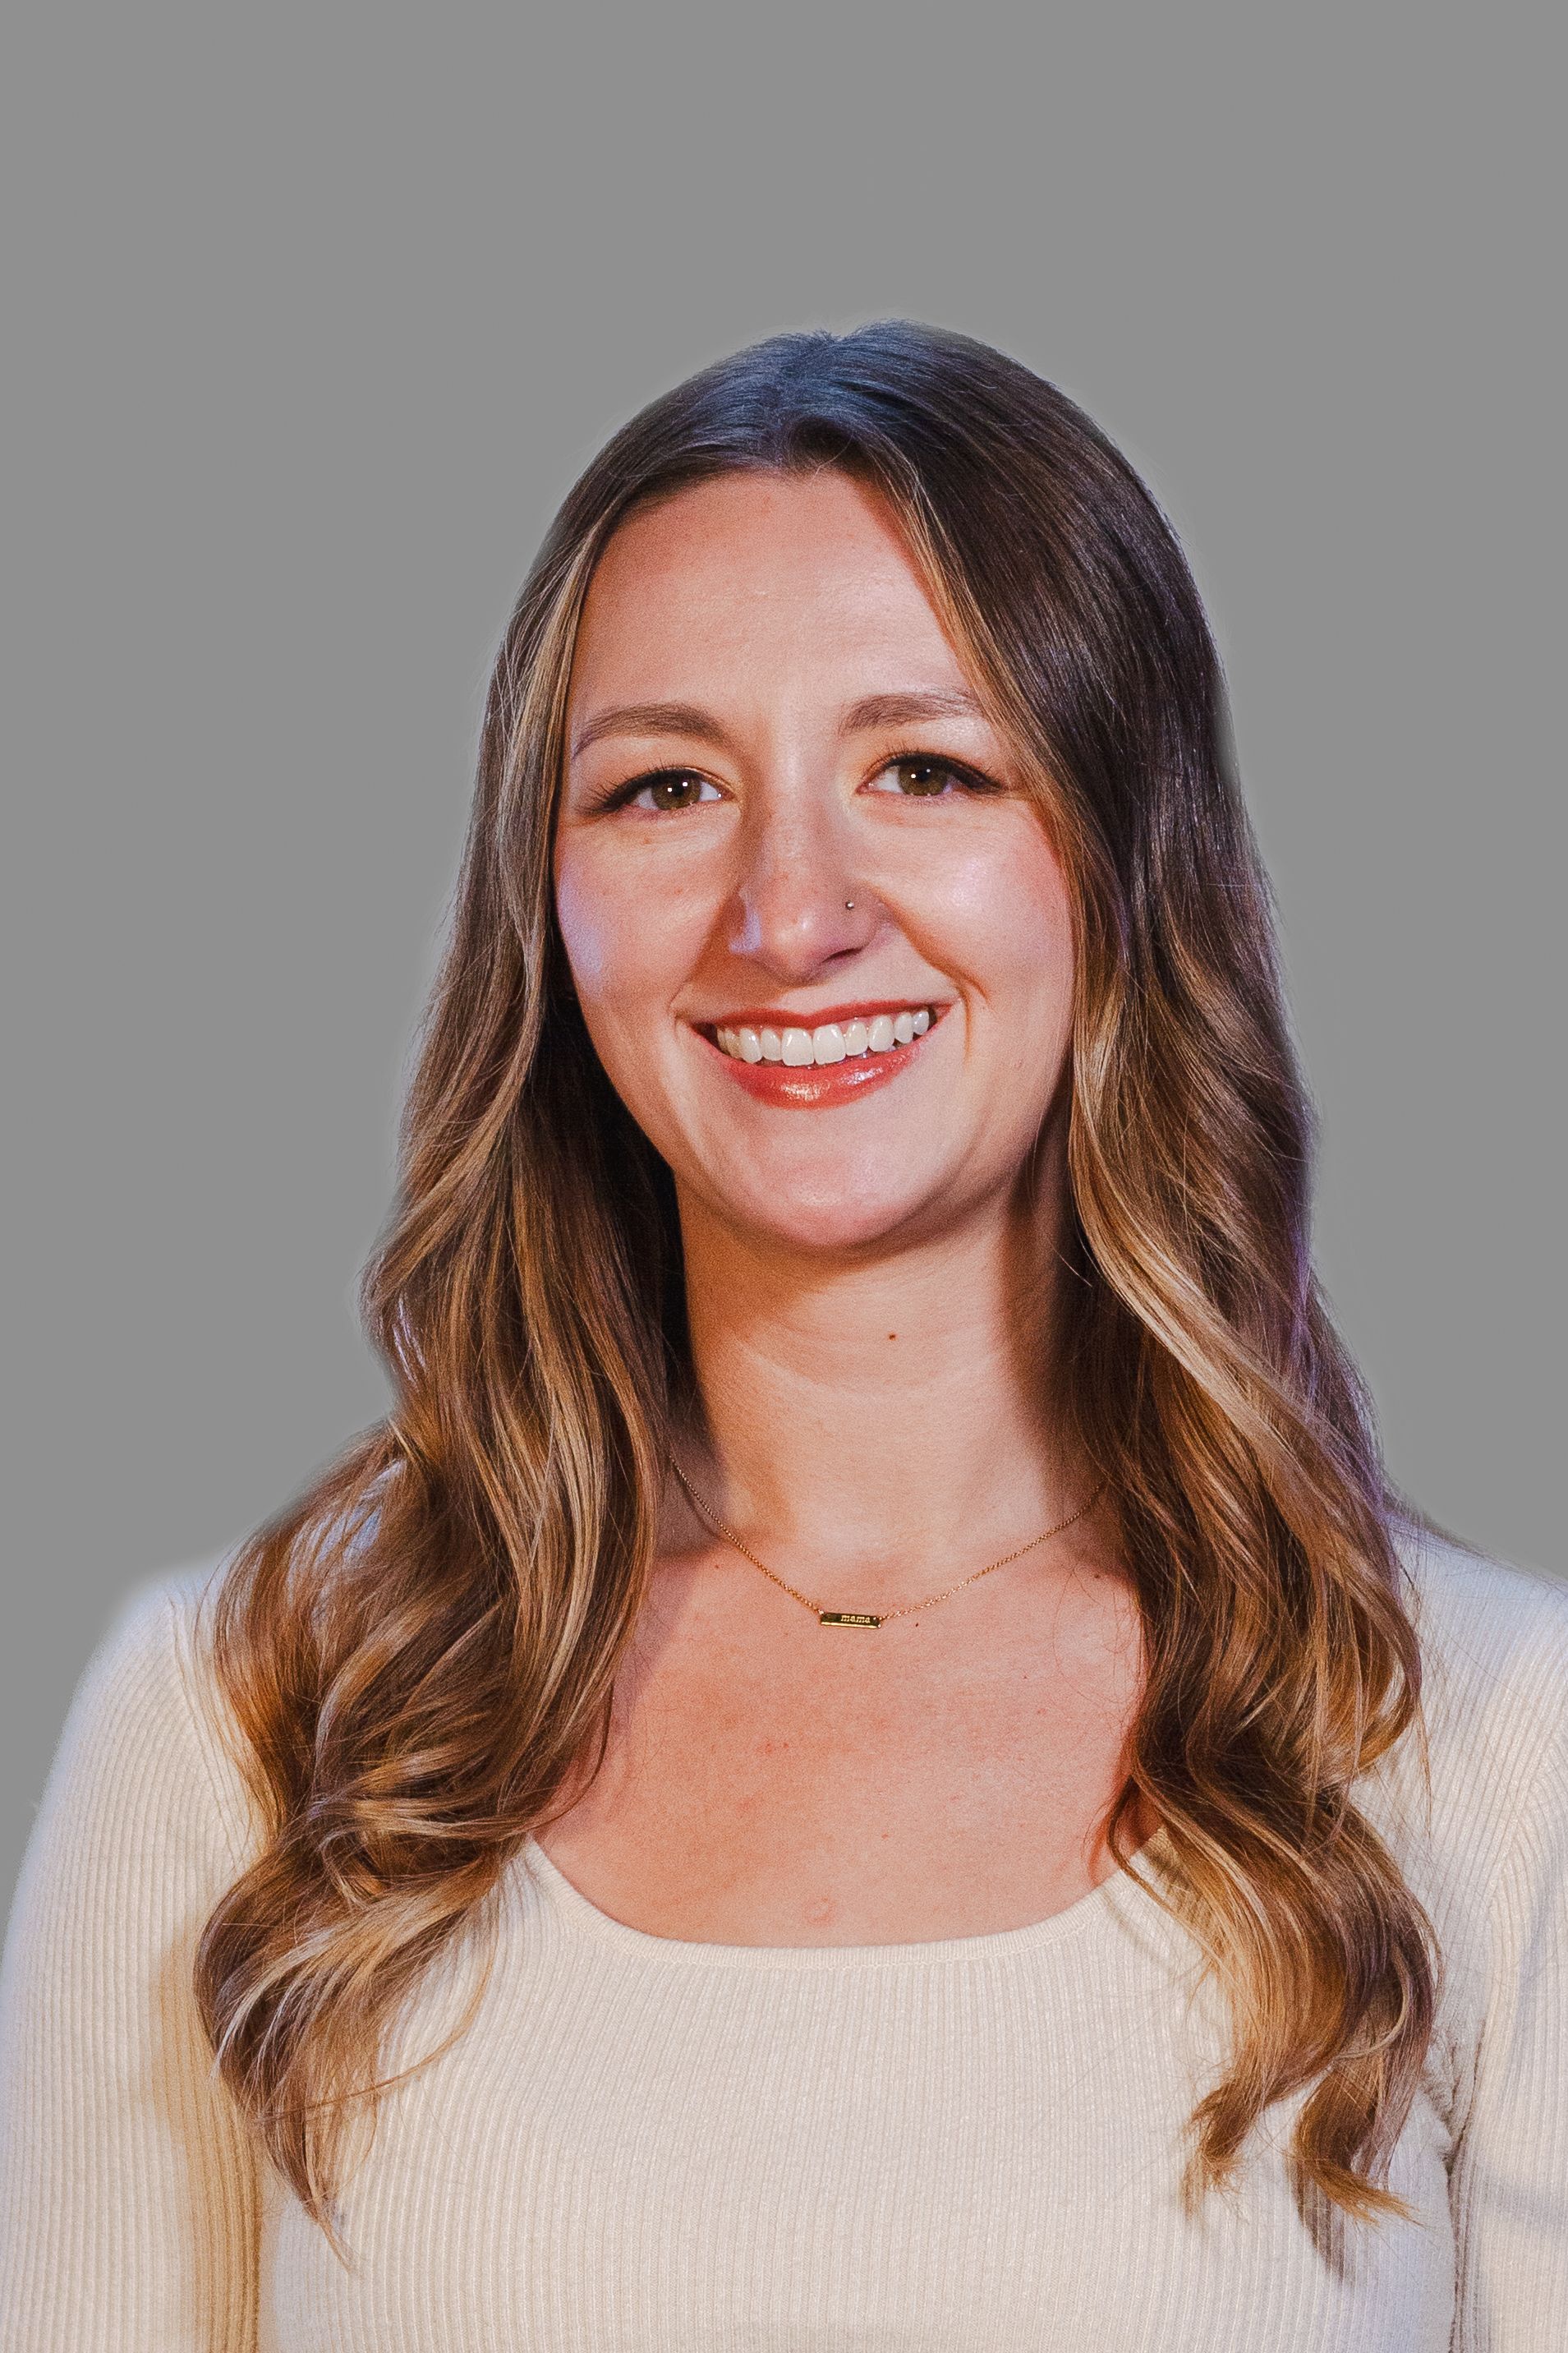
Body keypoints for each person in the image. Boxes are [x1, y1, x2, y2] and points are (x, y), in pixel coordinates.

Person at [0, 322, 1563, 2353]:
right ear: (546, 915)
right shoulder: (256, 1725)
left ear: (1118, 863)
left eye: (925, 767)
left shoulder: (1494, 1748)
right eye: (663, 786)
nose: (787, 910)